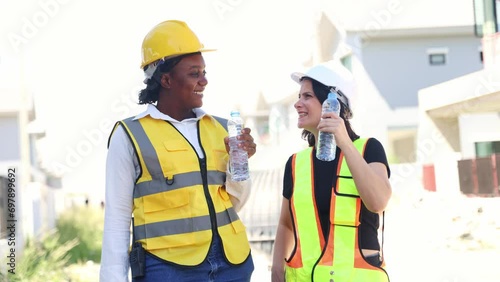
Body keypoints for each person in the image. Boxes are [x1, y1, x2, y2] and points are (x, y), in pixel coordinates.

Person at [100, 20, 256, 282]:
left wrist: (239, 164)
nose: (204, 81)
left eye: (204, 72)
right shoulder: (129, 136)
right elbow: (117, 220)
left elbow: (236, 203)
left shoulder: (220, 128)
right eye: (194, 73)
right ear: (166, 79)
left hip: (233, 264)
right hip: (168, 269)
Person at [271, 61, 392, 282]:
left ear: (332, 104)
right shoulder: (296, 163)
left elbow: (378, 202)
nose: (298, 104)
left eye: (307, 96)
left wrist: (344, 143)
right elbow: (286, 224)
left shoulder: (368, 149)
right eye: (299, 96)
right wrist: (276, 271)